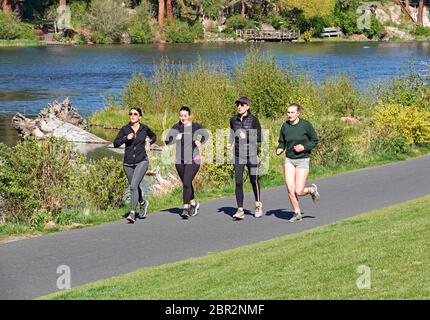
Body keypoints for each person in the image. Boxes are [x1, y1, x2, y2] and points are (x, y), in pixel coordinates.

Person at [276, 103, 320, 222]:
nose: (289, 115)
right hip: (289, 160)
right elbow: (282, 141)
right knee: (290, 188)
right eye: (288, 112)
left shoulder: (306, 125)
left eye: (292, 112)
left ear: (298, 113)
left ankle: (311, 190)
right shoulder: (285, 126)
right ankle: (297, 213)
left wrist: (304, 147)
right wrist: (280, 148)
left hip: (302, 159)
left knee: (299, 191)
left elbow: (315, 140)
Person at [165, 106, 209, 219]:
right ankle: (193, 203)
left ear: (189, 116)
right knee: (187, 182)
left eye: (185, 116)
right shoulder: (176, 127)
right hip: (179, 160)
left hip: (194, 159)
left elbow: (206, 135)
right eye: (181, 116)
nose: (183, 118)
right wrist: (176, 138)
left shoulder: (195, 126)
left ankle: (185, 207)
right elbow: (167, 141)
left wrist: (200, 141)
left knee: (186, 182)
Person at [114, 108, 157, 223]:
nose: (132, 116)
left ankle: (132, 213)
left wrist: (149, 142)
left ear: (140, 117)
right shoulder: (125, 129)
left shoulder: (144, 128)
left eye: (135, 114)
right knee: (135, 186)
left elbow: (154, 136)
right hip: (127, 163)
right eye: (131, 114)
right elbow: (115, 143)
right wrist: (125, 138)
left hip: (142, 161)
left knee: (133, 186)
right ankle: (143, 202)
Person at [228, 96, 263, 220]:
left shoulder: (254, 120)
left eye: (242, 105)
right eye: (237, 104)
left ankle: (258, 205)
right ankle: (240, 209)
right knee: (238, 181)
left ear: (247, 107)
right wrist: (230, 142)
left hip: (252, 154)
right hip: (238, 155)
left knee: (254, 180)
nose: (239, 107)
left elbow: (260, 138)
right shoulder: (233, 120)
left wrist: (246, 135)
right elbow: (232, 133)